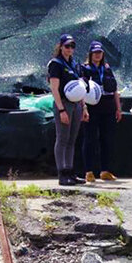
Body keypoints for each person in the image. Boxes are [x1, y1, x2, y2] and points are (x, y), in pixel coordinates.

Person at [78, 41, 121, 183]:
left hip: (108, 106)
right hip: (92, 107)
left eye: (100, 52)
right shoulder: (85, 69)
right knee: (90, 139)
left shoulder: (107, 69)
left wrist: (118, 108)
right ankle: (89, 171)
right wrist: (84, 108)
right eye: (95, 52)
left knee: (107, 139)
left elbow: (114, 89)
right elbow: (81, 90)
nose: (98, 55)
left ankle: (105, 170)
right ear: (90, 54)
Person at [48, 34, 86, 186]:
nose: (70, 49)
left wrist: (84, 107)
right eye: (67, 46)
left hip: (76, 104)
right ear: (61, 47)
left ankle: (70, 171)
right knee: (62, 138)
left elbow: (81, 87)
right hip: (64, 103)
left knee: (72, 139)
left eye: (72, 46)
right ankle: (62, 173)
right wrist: (61, 109)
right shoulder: (55, 64)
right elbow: (54, 89)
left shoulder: (75, 65)